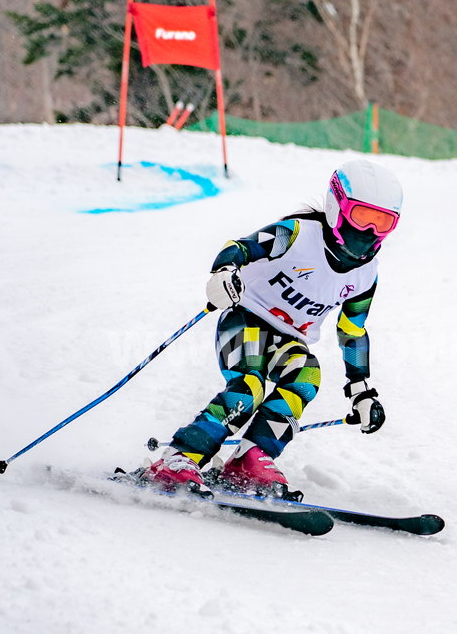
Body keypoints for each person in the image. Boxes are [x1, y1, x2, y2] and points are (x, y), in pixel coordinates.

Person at [144, 158, 403, 495]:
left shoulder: (366, 273)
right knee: (249, 386)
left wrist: (361, 390)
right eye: (362, 216)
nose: (370, 231)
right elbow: (238, 248)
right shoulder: (296, 235)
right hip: (246, 317)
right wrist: (223, 273)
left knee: (306, 375)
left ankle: (250, 458)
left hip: (290, 338)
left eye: (383, 223)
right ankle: (178, 458)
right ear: (336, 206)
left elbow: (352, 330)